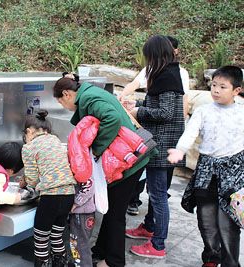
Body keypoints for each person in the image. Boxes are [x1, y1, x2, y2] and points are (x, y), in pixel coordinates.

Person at [53, 72, 152, 267]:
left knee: (115, 213)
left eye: (61, 102)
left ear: (66, 94)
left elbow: (112, 119)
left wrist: (96, 149)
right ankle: (101, 250)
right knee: (111, 210)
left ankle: (114, 261)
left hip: (129, 160)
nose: (63, 107)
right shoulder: (89, 93)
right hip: (127, 157)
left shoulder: (89, 98)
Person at [167, 65, 244, 267]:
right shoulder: (203, 111)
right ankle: (211, 256)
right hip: (206, 171)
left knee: (228, 224)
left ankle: (230, 263)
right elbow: (190, 132)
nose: (216, 90)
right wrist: (180, 149)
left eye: (223, 87)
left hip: (233, 174)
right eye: (214, 85)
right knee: (206, 221)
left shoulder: (242, 114)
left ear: (236, 90)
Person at [123, 34, 185, 259]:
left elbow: (166, 113)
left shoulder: (167, 76)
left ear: (156, 55)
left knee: (158, 194)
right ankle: (149, 227)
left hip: (163, 145)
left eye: (148, 56)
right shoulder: (167, 73)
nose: (146, 60)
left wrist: (139, 112)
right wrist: (137, 103)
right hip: (164, 143)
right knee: (155, 191)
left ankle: (157, 244)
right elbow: (159, 105)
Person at [20, 109, 76, 267]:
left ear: (29, 131)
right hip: (68, 194)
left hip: (51, 197)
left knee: (41, 238)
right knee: (57, 236)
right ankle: (61, 264)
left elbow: (32, 178)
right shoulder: (56, 141)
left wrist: (24, 181)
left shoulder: (28, 148)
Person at [69, 170, 96, 267]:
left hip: (82, 213)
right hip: (80, 212)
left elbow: (89, 187)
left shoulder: (82, 163)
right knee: (78, 244)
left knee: (81, 245)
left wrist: (76, 202)